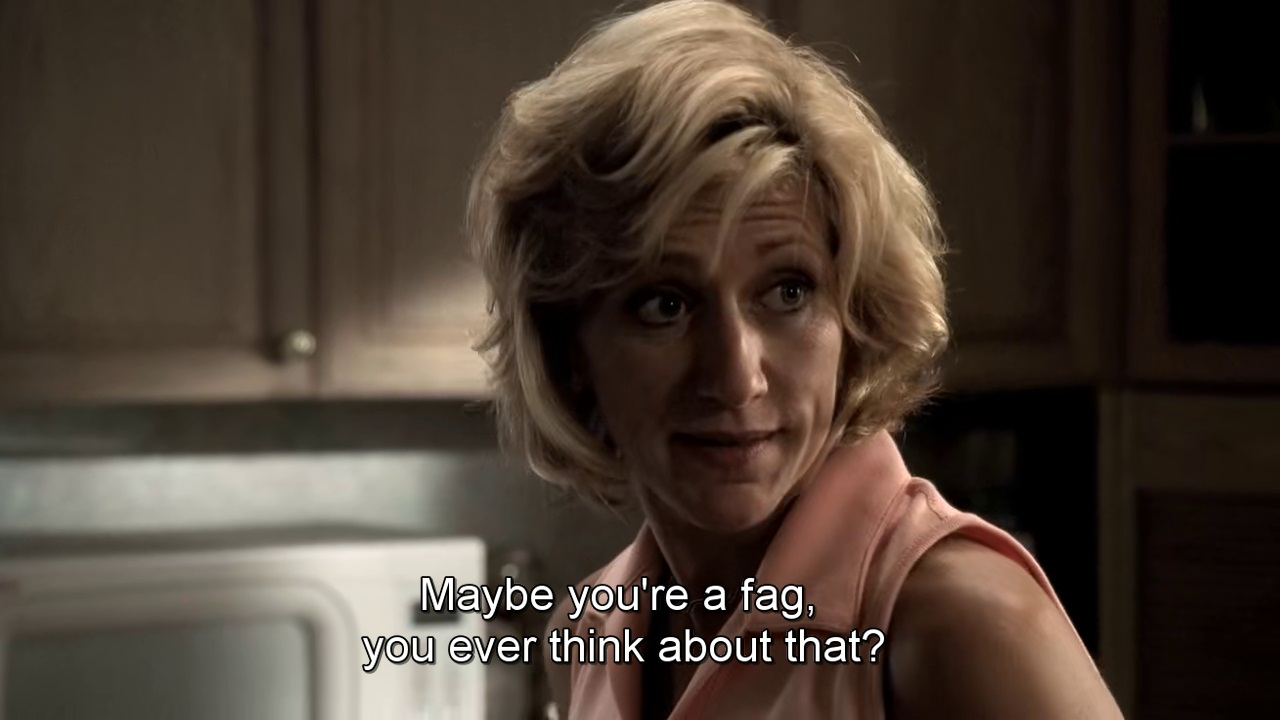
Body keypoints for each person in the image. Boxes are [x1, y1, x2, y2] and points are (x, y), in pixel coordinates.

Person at [467, 1, 1123, 717]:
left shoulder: (962, 624)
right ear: (570, 349)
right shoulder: (590, 634)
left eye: (787, 292)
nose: (736, 377)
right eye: (664, 304)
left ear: (855, 319)